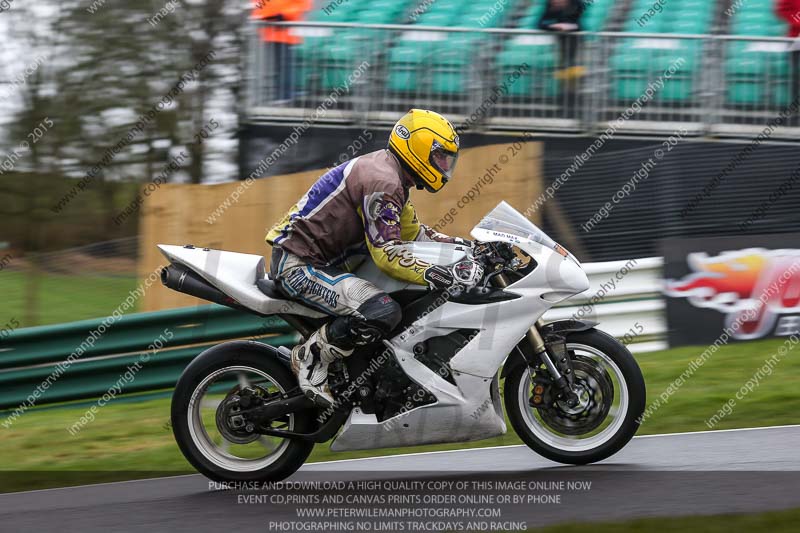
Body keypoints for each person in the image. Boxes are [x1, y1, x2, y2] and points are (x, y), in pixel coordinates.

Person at [266, 109, 484, 407]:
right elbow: (387, 253)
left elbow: (416, 235)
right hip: (299, 265)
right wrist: (433, 273)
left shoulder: (393, 178)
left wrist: (469, 247)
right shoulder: (383, 181)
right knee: (382, 311)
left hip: (324, 264)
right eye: (441, 157)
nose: (445, 165)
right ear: (420, 149)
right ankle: (310, 357)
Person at [252, 0, 312, 102]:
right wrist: (264, 15)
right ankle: (282, 94)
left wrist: (284, 14)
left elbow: (303, 4)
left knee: (285, 65)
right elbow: (257, 5)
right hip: (271, 31)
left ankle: (286, 95)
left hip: (286, 32)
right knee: (279, 65)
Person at [776, 0, 800, 121]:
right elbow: (780, 9)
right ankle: (795, 108)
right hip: (795, 40)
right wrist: (796, 21)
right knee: (794, 75)